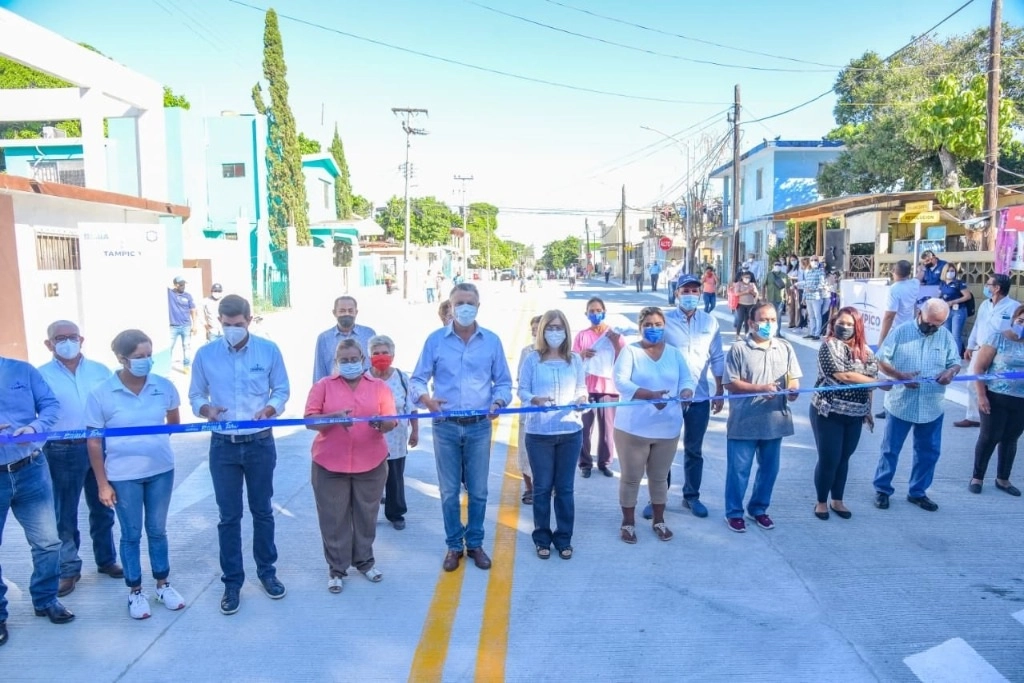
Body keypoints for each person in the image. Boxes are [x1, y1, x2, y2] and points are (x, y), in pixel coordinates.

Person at [189, 294, 291, 615]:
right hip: (223, 446)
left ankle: (267, 572)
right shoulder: (206, 355)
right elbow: (195, 394)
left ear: (250, 320)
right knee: (229, 516)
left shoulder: (268, 350)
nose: (232, 330)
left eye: (238, 324)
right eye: (227, 324)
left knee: (262, 511)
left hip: (260, 442)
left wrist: (272, 408)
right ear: (219, 321)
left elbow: (282, 389)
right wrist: (206, 409)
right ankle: (232, 582)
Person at [411, 283, 513, 572]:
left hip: (479, 426)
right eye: (460, 303)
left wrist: (498, 401)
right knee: (448, 491)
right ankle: (454, 545)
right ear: (451, 307)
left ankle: (475, 543)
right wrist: (426, 399)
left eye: (470, 303)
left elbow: (503, 382)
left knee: (479, 491)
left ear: (478, 307)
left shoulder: (491, 341)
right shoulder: (435, 341)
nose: (465, 308)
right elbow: (418, 379)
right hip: (445, 426)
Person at [86, 329, 186, 620]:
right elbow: (93, 442)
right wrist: (103, 483)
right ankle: (135, 591)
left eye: (149, 355)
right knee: (131, 534)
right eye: (139, 357)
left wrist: (154, 446)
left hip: (160, 471)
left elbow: (174, 420)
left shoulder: (163, 386)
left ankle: (163, 585)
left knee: (157, 530)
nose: (146, 361)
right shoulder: (102, 393)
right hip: (123, 475)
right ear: (121, 358)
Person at [305, 339, 396, 592]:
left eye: (354, 359)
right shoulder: (323, 386)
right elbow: (310, 420)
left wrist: (381, 423)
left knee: (367, 516)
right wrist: (333, 418)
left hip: (371, 463)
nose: (349, 364)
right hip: (329, 464)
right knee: (333, 519)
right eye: (343, 360)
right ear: (336, 362)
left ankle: (365, 562)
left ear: (363, 361)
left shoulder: (379, 388)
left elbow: (391, 421)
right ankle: (336, 569)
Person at [37, 320, 121, 597]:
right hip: (61, 450)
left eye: (72, 337)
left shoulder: (101, 371)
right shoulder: (40, 376)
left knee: (103, 504)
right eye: (60, 338)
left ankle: (106, 559)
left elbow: (114, 404)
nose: (67, 342)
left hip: (99, 446)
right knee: (65, 513)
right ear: (49, 344)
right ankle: (68, 569)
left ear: (82, 339)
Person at [0, 351, 70, 643]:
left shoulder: (22, 371)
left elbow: (51, 405)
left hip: (30, 468)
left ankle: (45, 599)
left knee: (47, 542)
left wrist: (36, 428)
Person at [612, 307, 695, 544]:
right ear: (640, 327)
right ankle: (628, 523)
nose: (654, 328)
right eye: (648, 324)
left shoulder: (675, 354)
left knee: (659, 478)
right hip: (633, 429)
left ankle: (659, 520)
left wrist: (687, 390)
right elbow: (620, 382)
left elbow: (686, 379)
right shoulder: (630, 352)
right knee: (631, 477)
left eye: (658, 324)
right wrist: (648, 395)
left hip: (667, 428)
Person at [647, 275, 725, 520]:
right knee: (662, 450)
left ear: (700, 293)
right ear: (677, 293)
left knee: (694, 450)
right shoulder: (665, 321)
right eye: (685, 290)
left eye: (694, 290)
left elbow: (717, 358)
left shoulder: (710, 322)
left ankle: (691, 496)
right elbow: (650, 350)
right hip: (669, 398)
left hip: (699, 398)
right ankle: (657, 498)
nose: (690, 294)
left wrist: (719, 390)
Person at [873, 299, 961, 512]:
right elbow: (879, 359)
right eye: (929, 323)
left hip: (932, 406)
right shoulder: (901, 332)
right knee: (890, 450)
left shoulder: (945, 336)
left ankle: (918, 492)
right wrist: (898, 375)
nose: (931, 328)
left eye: (936, 325)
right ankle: (882, 489)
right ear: (920, 313)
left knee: (929, 452)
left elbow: (955, 362)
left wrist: (950, 372)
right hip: (901, 404)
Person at [723, 303, 801, 533]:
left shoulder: (784, 347)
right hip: (744, 420)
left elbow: (793, 378)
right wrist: (759, 388)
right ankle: (734, 513)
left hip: (774, 420)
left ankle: (758, 509)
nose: (769, 324)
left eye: (773, 320)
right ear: (751, 322)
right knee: (739, 471)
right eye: (764, 320)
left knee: (769, 470)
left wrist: (793, 390)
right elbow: (730, 382)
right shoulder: (738, 349)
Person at [518, 310, 588, 560]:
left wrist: (582, 400)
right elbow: (523, 390)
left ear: (567, 331)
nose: (555, 333)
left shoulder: (576, 360)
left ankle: (564, 537)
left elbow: (582, 389)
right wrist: (533, 399)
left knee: (565, 489)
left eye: (559, 328)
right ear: (542, 331)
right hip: (539, 434)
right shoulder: (532, 360)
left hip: (570, 432)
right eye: (550, 328)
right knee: (542, 488)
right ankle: (542, 538)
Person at [809, 308, 879, 521]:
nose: (845, 328)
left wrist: (868, 410)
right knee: (829, 459)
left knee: (844, 458)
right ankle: (821, 501)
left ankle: (837, 500)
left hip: (855, 415)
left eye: (850, 324)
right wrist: (879, 381)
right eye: (842, 323)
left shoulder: (866, 351)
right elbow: (844, 375)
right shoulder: (828, 346)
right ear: (834, 323)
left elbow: (870, 384)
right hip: (828, 412)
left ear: (857, 327)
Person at [969, 303, 1024, 496]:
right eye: (1021, 321)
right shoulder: (997, 338)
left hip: (1021, 400)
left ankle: (1003, 479)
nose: (1022, 325)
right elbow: (979, 368)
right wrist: (981, 395)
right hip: (995, 397)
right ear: (1014, 320)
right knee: (989, 437)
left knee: (1011, 439)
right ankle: (977, 477)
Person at [368, 335, 418, 530]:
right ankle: (369, 514)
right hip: (370, 438)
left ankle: (395, 513)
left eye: (385, 352)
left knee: (395, 477)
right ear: (369, 356)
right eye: (376, 353)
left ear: (393, 355)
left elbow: (411, 406)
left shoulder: (402, 377)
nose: (381, 356)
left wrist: (415, 430)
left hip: (396, 439)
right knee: (371, 479)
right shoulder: (364, 378)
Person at [957, 274, 1019, 428]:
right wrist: (970, 345)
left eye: (988, 284)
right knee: (972, 381)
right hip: (981, 349)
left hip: (1001, 353)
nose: (986, 287)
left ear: (997, 288)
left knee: (993, 384)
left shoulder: (1014, 307)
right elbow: (978, 325)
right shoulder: (985, 304)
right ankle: (973, 416)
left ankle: (991, 415)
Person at [573, 298, 624, 478]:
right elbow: (572, 361)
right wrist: (582, 354)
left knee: (608, 428)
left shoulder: (614, 334)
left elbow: (623, 359)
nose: (595, 314)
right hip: (586, 388)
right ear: (586, 314)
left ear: (604, 311)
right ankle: (585, 463)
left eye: (598, 310)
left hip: (609, 388)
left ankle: (605, 462)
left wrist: (616, 344)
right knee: (584, 428)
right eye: (591, 311)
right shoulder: (582, 335)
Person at [874, 260, 921, 419]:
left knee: (890, 370)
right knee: (899, 368)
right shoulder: (914, 284)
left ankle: (891, 407)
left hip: (896, 332)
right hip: (910, 329)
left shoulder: (895, 289)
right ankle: (892, 406)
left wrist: (882, 338)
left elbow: (889, 316)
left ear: (895, 271)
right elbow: (919, 275)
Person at [314, 296, 377, 381]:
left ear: (356, 312)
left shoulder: (369, 334)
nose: (347, 314)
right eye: (342, 311)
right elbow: (319, 371)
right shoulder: (324, 339)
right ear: (334, 313)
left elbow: (375, 367)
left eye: (350, 310)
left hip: (365, 390)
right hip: (334, 391)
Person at [517, 317, 542, 503]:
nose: (535, 332)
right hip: (529, 410)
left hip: (551, 412)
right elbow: (521, 382)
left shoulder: (561, 353)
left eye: (538, 329)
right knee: (525, 452)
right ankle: (529, 488)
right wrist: (532, 397)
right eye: (532, 329)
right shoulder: (526, 352)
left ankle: (549, 487)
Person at [938, 263, 972, 358]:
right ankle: (947, 355)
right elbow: (940, 295)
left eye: (952, 271)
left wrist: (953, 302)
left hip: (958, 311)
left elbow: (967, 296)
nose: (950, 273)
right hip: (946, 311)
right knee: (946, 334)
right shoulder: (942, 284)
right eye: (948, 271)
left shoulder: (959, 283)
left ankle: (955, 357)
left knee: (956, 335)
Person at [167, 276, 197, 371]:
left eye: (184, 284)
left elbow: (193, 310)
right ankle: (167, 366)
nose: (183, 286)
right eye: (180, 284)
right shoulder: (170, 294)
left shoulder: (188, 296)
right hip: (173, 326)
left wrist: (194, 325)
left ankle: (186, 367)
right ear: (175, 285)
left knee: (186, 347)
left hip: (186, 326)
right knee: (169, 347)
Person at [798, 257, 826, 340]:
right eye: (812, 260)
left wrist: (813, 289)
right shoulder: (809, 272)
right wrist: (804, 297)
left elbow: (822, 284)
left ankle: (817, 334)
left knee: (817, 316)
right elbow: (806, 285)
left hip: (816, 297)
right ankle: (811, 332)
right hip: (808, 298)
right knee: (811, 316)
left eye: (816, 260)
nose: (814, 262)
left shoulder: (820, 272)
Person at [729, 270, 758, 336]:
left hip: (750, 304)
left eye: (749, 278)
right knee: (740, 319)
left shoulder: (752, 284)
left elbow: (756, 294)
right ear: (742, 277)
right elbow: (736, 293)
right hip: (741, 304)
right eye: (746, 277)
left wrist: (751, 292)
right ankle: (737, 335)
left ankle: (746, 334)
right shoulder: (738, 284)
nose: (747, 279)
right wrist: (746, 291)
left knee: (747, 320)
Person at [765, 261, 788, 335]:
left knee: (778, 316)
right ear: (773, 265)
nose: (777, 266)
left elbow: (788, 287)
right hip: (770, 298)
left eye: (779, 265)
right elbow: (763, 285)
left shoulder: (784, 275)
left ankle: (777, 332)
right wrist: (763, 297)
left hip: (780, 298)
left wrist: (788, 297)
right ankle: (769, 331)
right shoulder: (769, 275)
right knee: (769, 316)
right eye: (776, 264)